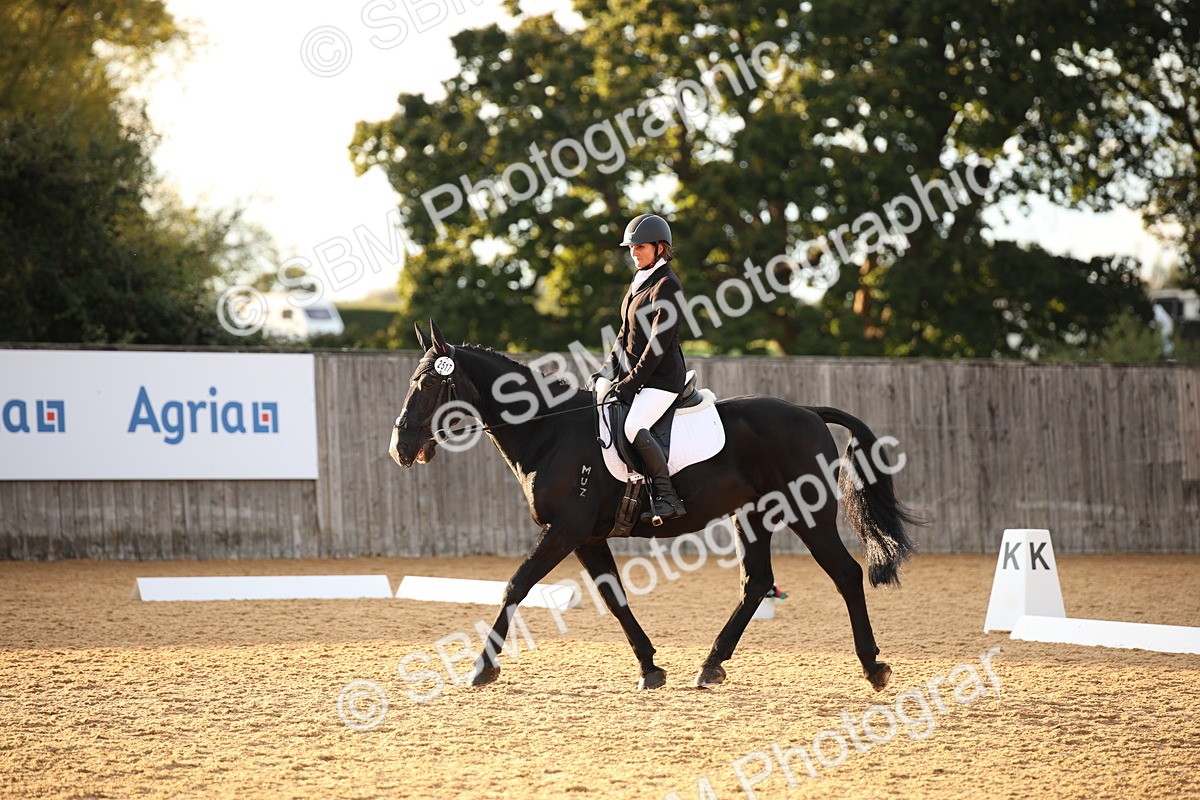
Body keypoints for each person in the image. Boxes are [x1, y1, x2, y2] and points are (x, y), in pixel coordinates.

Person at [592, 213, 688, 523]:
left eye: (641, 247)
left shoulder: (667, 285)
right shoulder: (638, 283)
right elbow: (625, 336)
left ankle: (667, 497)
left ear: (661, 248)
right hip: (638, 378)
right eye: (632, 248)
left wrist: (631, 383)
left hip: (662, 380)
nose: (634, 253)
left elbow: (657, 346)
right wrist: (607, 371)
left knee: (633, 426)